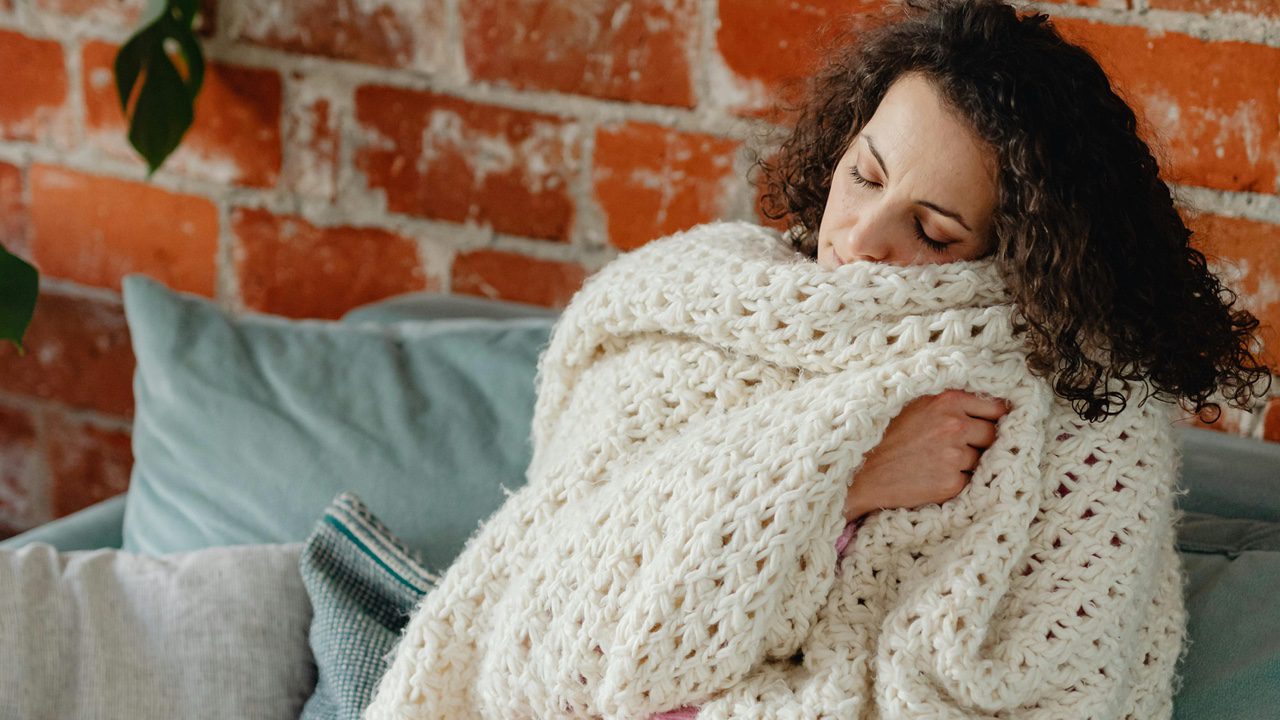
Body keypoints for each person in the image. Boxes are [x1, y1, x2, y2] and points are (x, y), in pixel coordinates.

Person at [749, 0, 1271, 537]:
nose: (860, 238)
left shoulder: (1077, 426)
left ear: (1020, 256)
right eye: (865, 176)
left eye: (932, 231)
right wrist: (855, 480)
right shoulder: (714, 288)